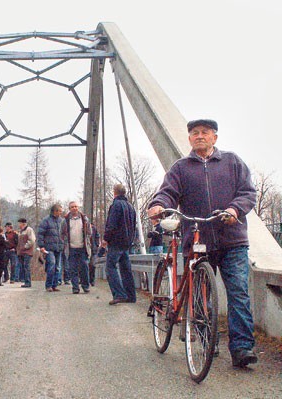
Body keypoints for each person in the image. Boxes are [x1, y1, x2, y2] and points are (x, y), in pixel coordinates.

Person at [147, 118, 258, 368]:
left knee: (238, 293)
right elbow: (168, 193)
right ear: (189, 139)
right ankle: (208, 341)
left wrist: (234, 209)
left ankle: (242, 348)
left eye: (205, 133)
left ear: (214, 138)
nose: (199, 136)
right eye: (195, 133)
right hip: (198, 240)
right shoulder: (180, 168)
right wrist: (159, 205)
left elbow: (248, 192)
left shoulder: (232, 162)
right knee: (201, 295)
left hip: (232, 239)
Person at [101, 183, 137, 305]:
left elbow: (111, 224)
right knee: (126, 269)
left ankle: (119, 294)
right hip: (127, 242)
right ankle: (131, 295)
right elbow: (134, 226)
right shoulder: (130, 207)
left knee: (110, 267)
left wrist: (106, 238)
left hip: (116, 242)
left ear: (114, 192)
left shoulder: (116, 205)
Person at [61, 201, 92, 294]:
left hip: (83, 247)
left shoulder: (84, 219)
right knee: (73, 269)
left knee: (84, 267)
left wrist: (87, 240)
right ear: (69, 209)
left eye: (76, 206)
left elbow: (90, 232)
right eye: (72, 207)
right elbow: (61, 233)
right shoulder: (65, 221)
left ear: (78, 208)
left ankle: (85, 286)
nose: (74, 208)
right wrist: (65, 243)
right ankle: (75, 288)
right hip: (71, 248)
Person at [37, 204, 64, 292]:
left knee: (58, 267)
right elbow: (40, 234)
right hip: (49, 248)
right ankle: (48, 285)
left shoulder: (61, 221)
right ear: (55, 211)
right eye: (60, 211)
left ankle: (54, 285)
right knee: (51, 264)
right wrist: (41, 246)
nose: (61, 212)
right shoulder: (46, 221)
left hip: (59, 247)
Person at [16, 218, 36, 288]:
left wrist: (25, 246)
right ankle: (25, 281)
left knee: (26, 266)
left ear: (23, 223)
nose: (19, 225)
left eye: (19, 223)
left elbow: (32, 240)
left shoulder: (29, 230)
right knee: (24, 267)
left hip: (27, 252)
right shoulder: (20, 231)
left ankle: (28, 282)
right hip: (21, 252)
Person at [89, 222, 101, 286]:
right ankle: (85, 279)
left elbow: (97, 236)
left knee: (92, 265)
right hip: (86, 250)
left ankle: (92, 280)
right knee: (85, 265)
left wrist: (96, 245)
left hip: (93, 249)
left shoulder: (94, 229)